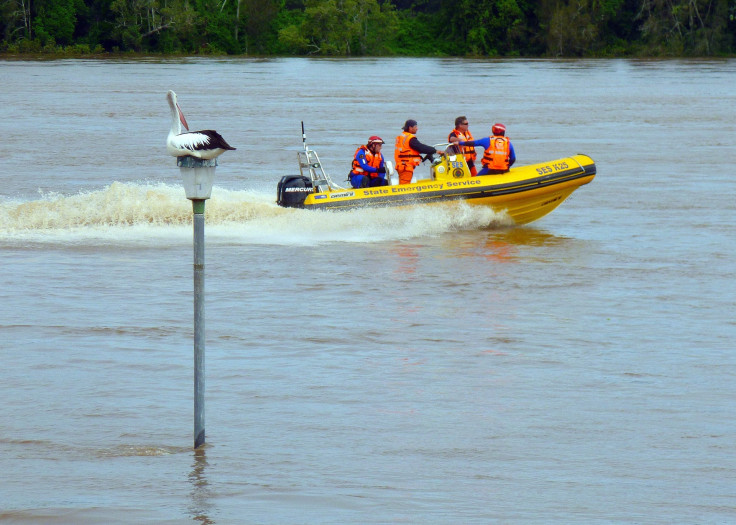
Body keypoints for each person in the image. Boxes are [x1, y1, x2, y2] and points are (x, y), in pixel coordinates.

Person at [394, 120, 445, 185]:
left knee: (404, 183)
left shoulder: (402, 137)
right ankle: (403, 195)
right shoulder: (410, 138)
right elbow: (420, 147)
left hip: (402, 165)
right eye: (415, 126)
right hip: (406, 166)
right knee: (404, 186)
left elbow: (411, 150)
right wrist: (436, 151)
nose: (417, 128)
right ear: (410, 127)